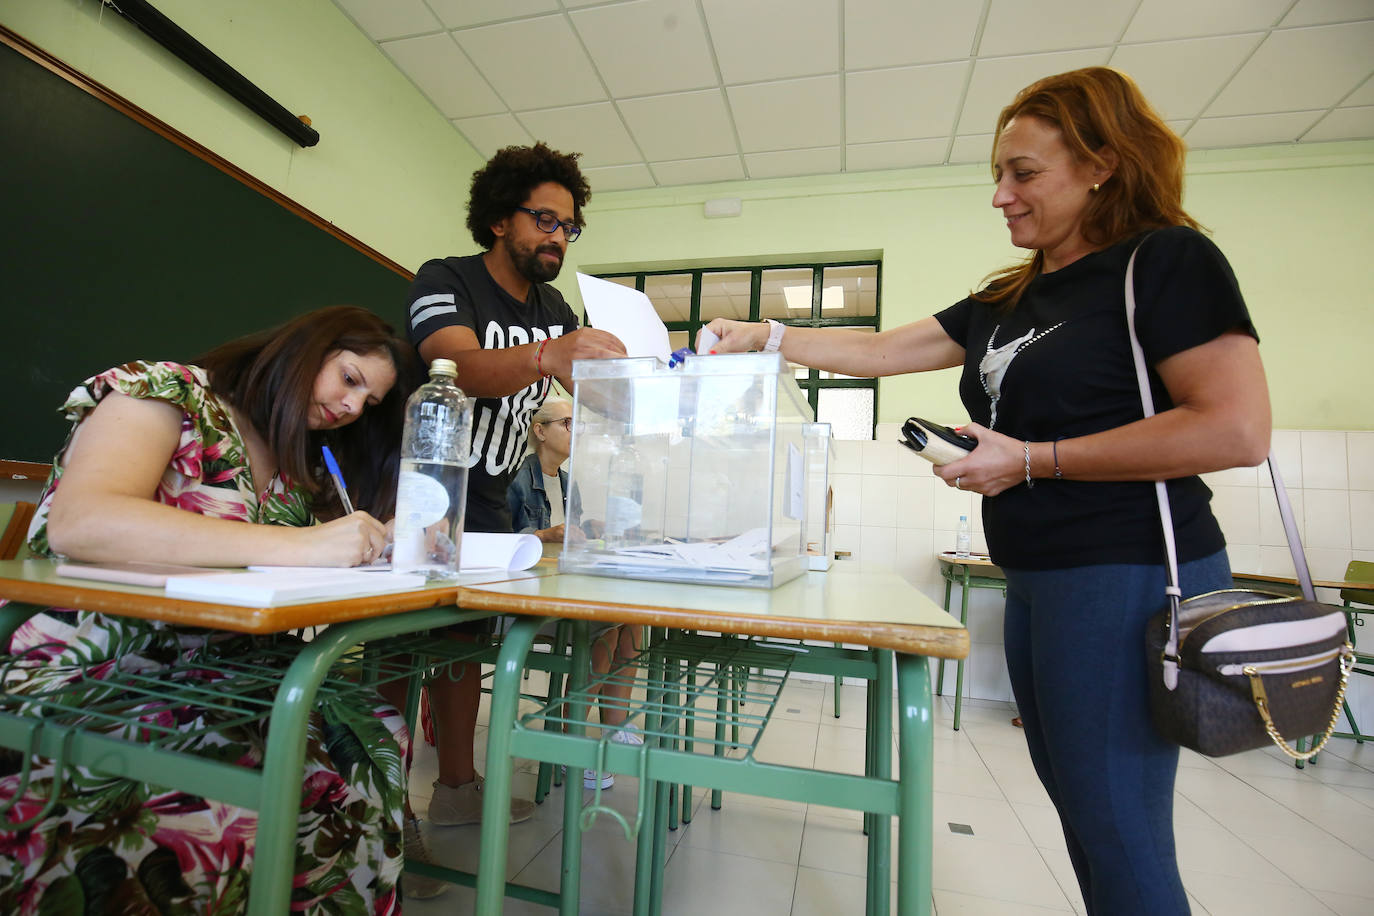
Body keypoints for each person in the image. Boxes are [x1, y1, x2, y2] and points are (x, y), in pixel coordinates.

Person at [702, 67, 1270, 915]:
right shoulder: (1015, 292)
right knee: (1079, 796)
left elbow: (1235, 429)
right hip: (1040, 572)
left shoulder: (1164, 261)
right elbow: (887, 350)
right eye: (997, 175)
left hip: (1127, 568)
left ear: (1102, 165)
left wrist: (1034, 458)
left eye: (1025, 174)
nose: (1001, 196)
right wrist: (769, 335)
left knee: (1113, 816)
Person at [0, 306, 429, 912]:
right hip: (85, 662)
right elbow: (82, 522)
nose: (352, 408)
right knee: (239, 774)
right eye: (350, 379)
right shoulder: (165, 391)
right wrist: (300, 545)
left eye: (371, 403)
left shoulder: (294, 464)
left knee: (370, 729)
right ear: (303, 350)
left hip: (216, 670)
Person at [403, 143, 626, 827]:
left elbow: (586, 396)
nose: (556, 237)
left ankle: (458, 791)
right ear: (501, 218)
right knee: (400, 646)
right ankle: (383, 807)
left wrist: (638, 376)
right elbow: (455, 368)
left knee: (465, 642)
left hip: (491, 491)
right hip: (422, 488)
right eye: (543, 220)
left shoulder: (554, 307)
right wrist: (545, 354)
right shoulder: (446, 278)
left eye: (567, 226)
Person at [506, 398, 642, 789]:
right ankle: (572, 742)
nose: (576, 431)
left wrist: (591, 529)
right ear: (540, 430)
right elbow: (499, 542)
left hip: (564, 587)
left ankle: (615, 729)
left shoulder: (568, 482)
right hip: (526, 596)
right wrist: (544, 536)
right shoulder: (516, 479)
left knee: (630, 617)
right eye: (568, 423)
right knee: (603, 624)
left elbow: (573, 538)